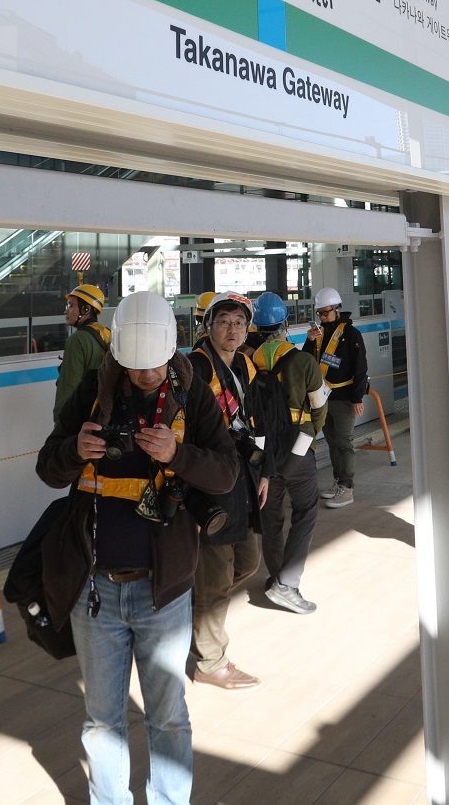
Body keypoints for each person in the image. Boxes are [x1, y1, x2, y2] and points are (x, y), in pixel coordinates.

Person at [37, 290, 239, 805]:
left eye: (155, 367)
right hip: (96, 592)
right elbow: (47, 468)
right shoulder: (93, 391)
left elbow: (226, 473)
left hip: (163, 591)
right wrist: (72, 451)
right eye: (135, 368)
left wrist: (179, 454)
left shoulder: (192, 395)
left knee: (168, 716)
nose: (147, 376)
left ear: (170, 352)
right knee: (102, 721)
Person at [185, 293, 275, 689]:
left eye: (239, 322)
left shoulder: (244, 366)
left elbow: (256, 422)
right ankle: (210, 662)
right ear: (209, 325)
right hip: (209, 477)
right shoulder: (193, 367)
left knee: (249, 561)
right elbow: (183, 431)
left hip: (241, 473)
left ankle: (192, 614)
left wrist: (265, 474)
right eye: (224, 321)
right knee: (217, 574)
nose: (232, 329)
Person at [252, 293, 327, 615]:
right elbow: (319, 408)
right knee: (306, 511)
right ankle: (287, 583)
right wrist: (308, 439)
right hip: (296, 447)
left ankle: (275, 578)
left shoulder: (248, 360)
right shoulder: (303, 361)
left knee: (271, 517)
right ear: (285, 324)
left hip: (260, 448)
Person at [305, 287, 369, 509]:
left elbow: (361, 368)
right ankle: (338, 481)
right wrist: (309, 341)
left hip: (344, 398)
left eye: (326, 312)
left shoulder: (351, 335)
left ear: (337, 309)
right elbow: (306, 361)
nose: (322, 317)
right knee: (332, 442)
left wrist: (357, 398)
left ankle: (347, 487)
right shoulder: (319, 334)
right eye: (320, 313)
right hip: (323, 398)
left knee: (344, 442)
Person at [55, 284, 112, 419]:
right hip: (100, 413)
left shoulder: (77, 340)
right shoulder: (107, 333)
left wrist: (60, 421)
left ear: (86, 309)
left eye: (70, 306)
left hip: (78, 417)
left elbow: (68, 387)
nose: (66, 311)